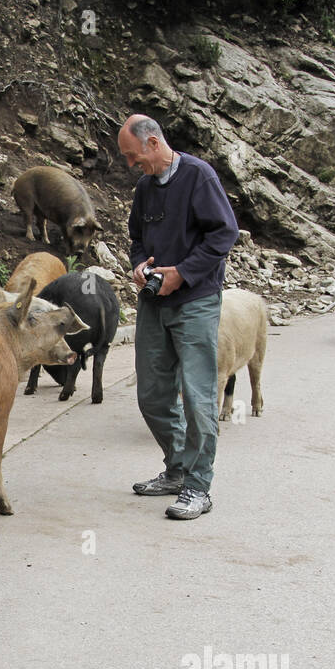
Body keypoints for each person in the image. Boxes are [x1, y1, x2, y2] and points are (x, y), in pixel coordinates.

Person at [118, 114, 239, 520]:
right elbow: (136, 238)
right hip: (155, 303)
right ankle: (176, 469)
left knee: (198, 396)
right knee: (152, 394)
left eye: (135, 157)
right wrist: (139, 266)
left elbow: (224, 234)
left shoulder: (198, 177)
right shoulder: (145, 188)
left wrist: (182, 273)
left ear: (153, 143)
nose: (133, 165)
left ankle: (198, 487)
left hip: (195, 302)